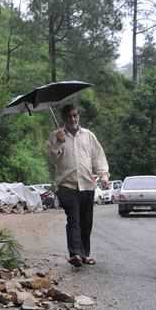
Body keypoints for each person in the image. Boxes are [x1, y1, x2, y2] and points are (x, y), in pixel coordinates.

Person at [48, 104, 109, 267]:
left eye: (75, 115)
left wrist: (103, 174)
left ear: (78, 117)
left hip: (87, 184)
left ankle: (84, 254)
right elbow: (53, 159)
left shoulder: (88, 135)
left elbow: (98, 156)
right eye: (69, 116)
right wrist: (59, 143)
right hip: (66, 185)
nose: (73, 119)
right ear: (64, 119)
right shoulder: (56, 136)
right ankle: (75, 253)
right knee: (73, 219)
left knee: (86, 221)